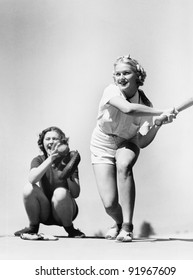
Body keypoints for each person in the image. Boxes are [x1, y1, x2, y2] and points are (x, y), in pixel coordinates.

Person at [90, 55, 177, 242]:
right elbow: (128, 109)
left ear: (137, 76)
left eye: (126, 73)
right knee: (109, 204)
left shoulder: (146, 105)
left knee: (124, 165)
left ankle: (127, 228)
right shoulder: (111, 90)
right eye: (117, 73)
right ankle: (119, 223)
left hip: (127, 141)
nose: (121, 77)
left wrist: (158, 124)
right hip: (102, 142)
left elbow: (143, 141)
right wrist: (161, 112)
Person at [14, 126, 85, 238]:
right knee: (28, 188)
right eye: (47, 139)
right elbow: (32, 179)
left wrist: (67, 170)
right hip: (45, 211)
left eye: (55, 138)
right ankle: (33, 228)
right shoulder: (38, 160)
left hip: (65, 210)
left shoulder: (70, 160)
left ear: (62, 142)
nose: (51, 141)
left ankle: (70, 229)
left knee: (60, 192)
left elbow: (75, 193)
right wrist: (50, 159)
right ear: (42, 142)